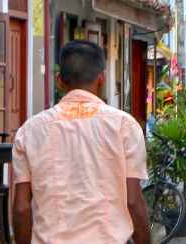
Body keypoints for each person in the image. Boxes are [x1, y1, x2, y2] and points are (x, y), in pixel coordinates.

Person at [12, 41, 150, 244]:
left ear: (59, 81)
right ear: (101, 78)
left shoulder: (30, 131)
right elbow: (133, 201)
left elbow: (22, 208)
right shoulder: (123, 126)